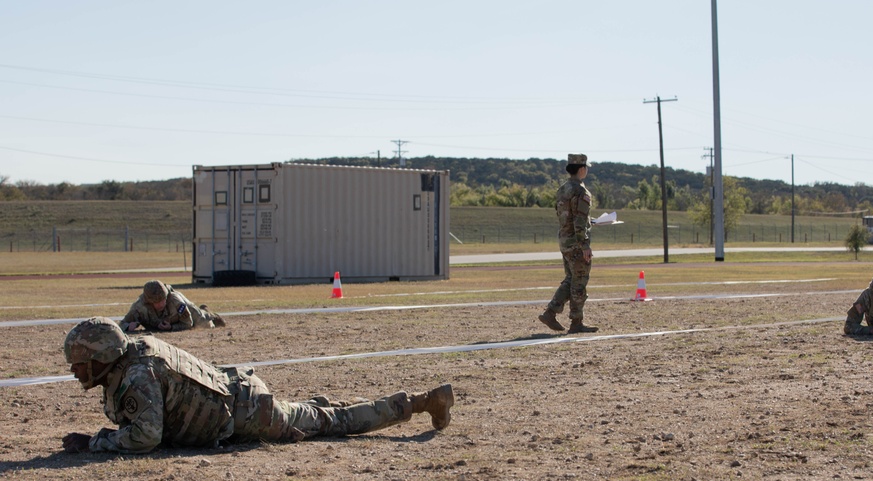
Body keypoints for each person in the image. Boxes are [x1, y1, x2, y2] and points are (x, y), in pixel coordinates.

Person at [61, 317, 455, 454]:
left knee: (335, 422)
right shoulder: (136, 354)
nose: (76, 372)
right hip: (242, 398)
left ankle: (422, 402)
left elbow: (144, 438)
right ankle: (418, 402)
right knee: (323, 413)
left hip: (250, 415)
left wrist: (94, 442)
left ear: (103, 358)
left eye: (81, 364)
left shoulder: (136, 375)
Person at [538, 153, 598, 334]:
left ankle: (551, 312)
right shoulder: (581, 191)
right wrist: (585, 244)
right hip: (576, 243)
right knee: (579, 282)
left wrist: (590, 221)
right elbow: (579, 221)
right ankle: (576, 322)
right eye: (586, 167)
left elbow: (567, 216)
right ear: (581, 169)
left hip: (564, 240)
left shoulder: (562, 189)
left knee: (571, 279)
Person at [121, 280, 226, 332]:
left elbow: (188, 324)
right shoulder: (139, 307)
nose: (162, 304)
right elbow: (121, 324)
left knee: (203, 324)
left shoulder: (176, 301)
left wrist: (172, 328)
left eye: (163, 300)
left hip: (183, 316)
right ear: (149, 302)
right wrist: (128, 327)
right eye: (157, 302)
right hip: (169, 321)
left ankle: (208, 313)